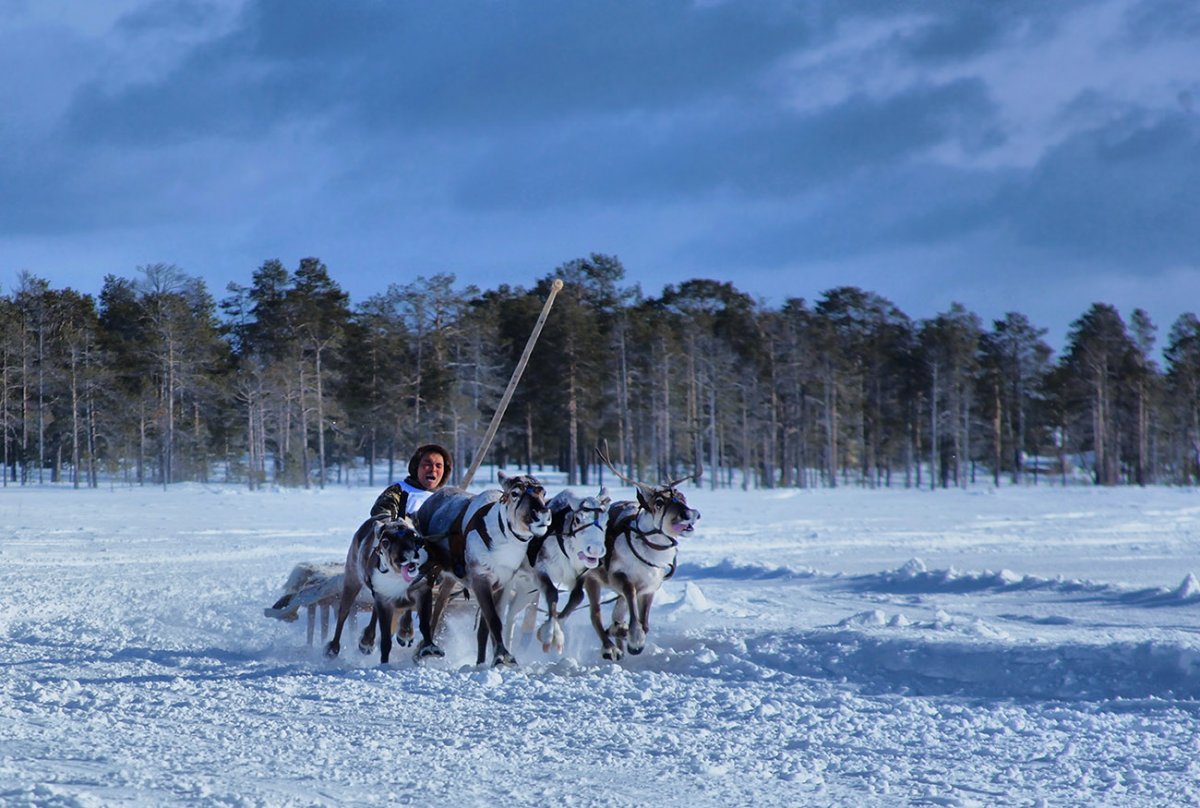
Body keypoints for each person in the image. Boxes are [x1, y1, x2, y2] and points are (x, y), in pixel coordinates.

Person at [371, 443, 452, 521]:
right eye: (428, 464)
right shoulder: (399, 490)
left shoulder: (446, 500)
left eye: (438, 466)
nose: (433, 469)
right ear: (416, 466)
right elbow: (381, 518)